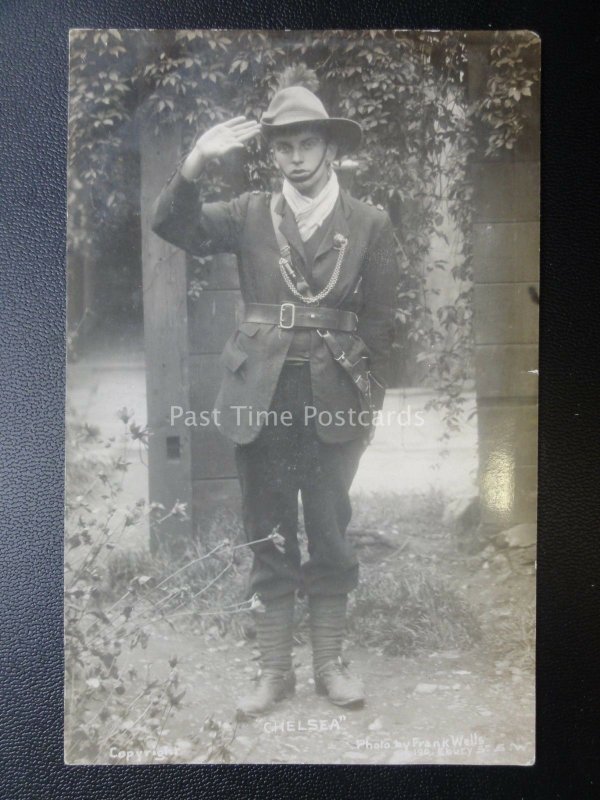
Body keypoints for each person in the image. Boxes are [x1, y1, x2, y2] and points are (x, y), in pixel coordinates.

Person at [152, 85, 400, 719]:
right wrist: (195, 162)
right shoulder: (247, 213)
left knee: (328, 528)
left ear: (330, 147)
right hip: (259, 394)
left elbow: (381, 328)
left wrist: (367, 406)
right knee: (267, 529)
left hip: (335, 394)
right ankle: (273, 672)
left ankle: (330, 665)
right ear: (272, 155)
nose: (294, 157)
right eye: (283, 146)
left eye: (307, 142)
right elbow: (171, 223)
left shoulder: (369, 223)